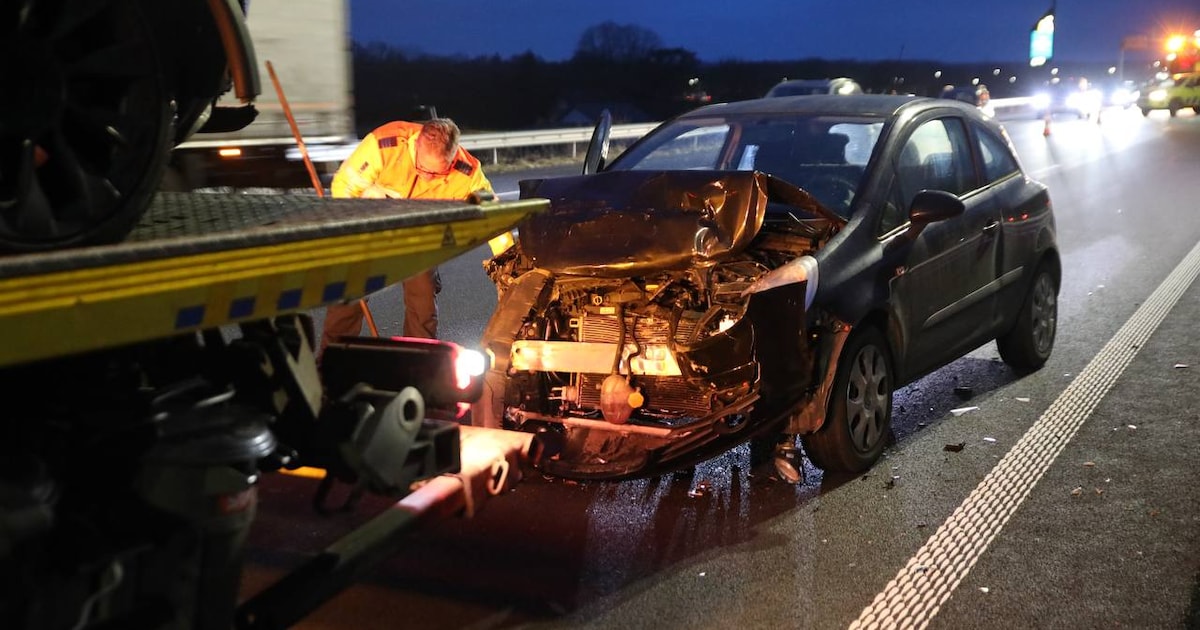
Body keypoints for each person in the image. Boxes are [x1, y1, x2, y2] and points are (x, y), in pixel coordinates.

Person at [319, 118, 492, 352]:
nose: (428, 177)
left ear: (453, 157)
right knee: (347, 299)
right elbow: (343, 187)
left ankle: (418, 361)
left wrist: (506, 256)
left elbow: (491, 214)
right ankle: (331, 361)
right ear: (417, 145)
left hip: (417, 236)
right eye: (423, 169)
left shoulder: (467, 171)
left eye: (438, 172)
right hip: (370, 226)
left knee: (423, 303)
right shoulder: (384, 146)